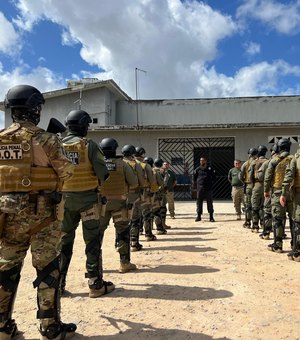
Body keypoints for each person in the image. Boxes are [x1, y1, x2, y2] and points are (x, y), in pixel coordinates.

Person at [0, 85, 77, 339]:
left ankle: (2, 327)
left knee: (6, 268)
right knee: (47, 269)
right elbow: (67, 172)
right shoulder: (46, 140)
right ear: (34, 108)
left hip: (7, 216)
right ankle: (50, 327)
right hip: (43, 216)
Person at [59, 109, 115, 298]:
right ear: (83, 126)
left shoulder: (56, 144)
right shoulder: (89, 146)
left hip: (63, 203)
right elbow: (103, 174)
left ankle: (58, 285)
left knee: (63, 243)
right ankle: (95, 284)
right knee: (92, 242)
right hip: (88, 202)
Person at [99, 138, 138, 273]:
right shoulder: (123, 164)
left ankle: (96, 267)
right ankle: (124, 263)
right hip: (119, 204)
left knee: (96, 235)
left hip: (101, 205)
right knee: (122, 232)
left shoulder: (97, 163)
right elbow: (133, 182)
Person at [264, 138, 294, 253]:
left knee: (278, 218)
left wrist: (266, 191)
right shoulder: (293, 159)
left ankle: (277, 245)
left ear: (279, 148)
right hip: (292, 193)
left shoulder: (274, 160)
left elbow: (267, 177)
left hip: (277, 193)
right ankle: (295, 244)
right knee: (294, 219)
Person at [121, 144, 145, 252]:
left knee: (122, 221)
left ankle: (120, 243)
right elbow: (141, 181)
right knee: (135, 219)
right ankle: (134, 243)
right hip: (134, 195)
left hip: (119, 196)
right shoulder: (136, 164)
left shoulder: (118, 163)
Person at [134, 149, 156, 241]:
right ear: (143, 154)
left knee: (134, 216)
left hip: (131, 193)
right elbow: (152, 181)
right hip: (145, 192)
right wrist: (153, 191)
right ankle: (148, 234)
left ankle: (134, 237)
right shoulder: (145, 166)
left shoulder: (126, 164)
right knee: (146, 214)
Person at [259, 143, 279, 240]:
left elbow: (261, 176)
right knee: (282, 214)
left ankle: (266, 232)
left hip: (272, 190)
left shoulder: (269, 162)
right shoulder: (290, 160)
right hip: (287, 191)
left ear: (272, 152)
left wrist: (266, 190)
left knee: (268, 210)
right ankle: (282, 234)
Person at [249, 145, 268, 232]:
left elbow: (250, 176)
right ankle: (265, 225)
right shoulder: (268, 161)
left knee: (255, 206)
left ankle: (255, 226)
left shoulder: (254, 162)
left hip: (256, 185)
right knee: (265, 206)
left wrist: (253, 184)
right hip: (266, 186)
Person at [239, 148, 258, 228]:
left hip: (249, 186)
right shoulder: (259, 162)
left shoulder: (246, 164)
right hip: (258, 185)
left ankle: (247, 222)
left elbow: (240, 176)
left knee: (248, 205)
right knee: (258, 205)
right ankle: (259, 223)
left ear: (249, 154)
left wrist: (245, 181)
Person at [193, 157, 216, 222]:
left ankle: (211, 217)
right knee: (199, 203)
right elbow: (194, 179)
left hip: (208, 189)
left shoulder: (210, 169)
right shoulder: (197, 169)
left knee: (209, 203)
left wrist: (210, 183)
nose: (202, 162)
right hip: (200, 189)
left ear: (206, 161)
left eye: (203, 160)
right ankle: (199, 216)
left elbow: (214, 177)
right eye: (201, 160)